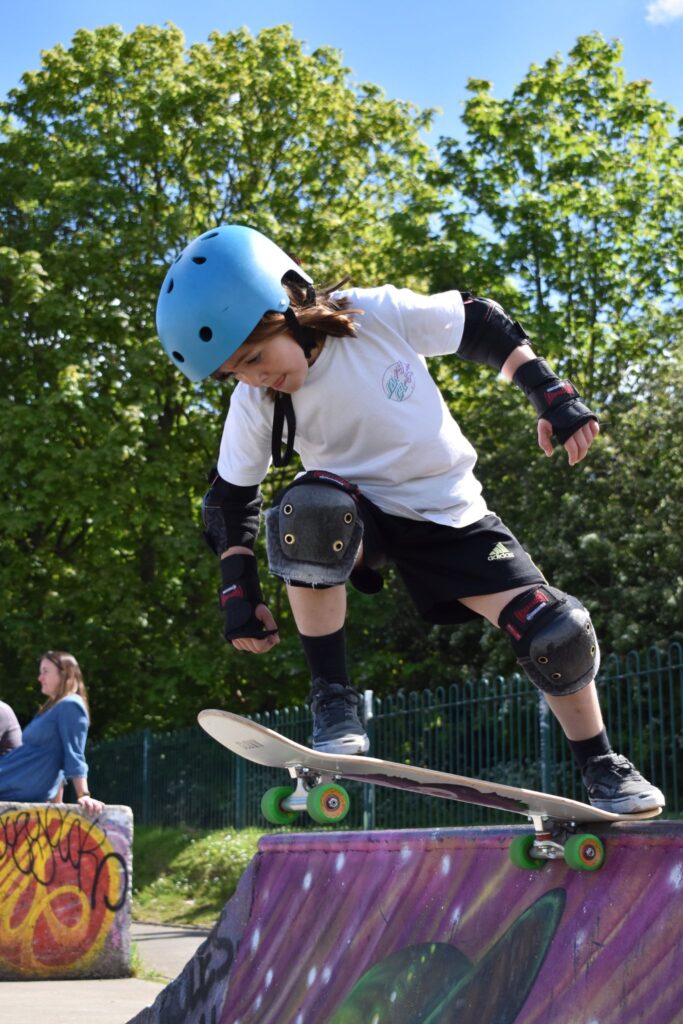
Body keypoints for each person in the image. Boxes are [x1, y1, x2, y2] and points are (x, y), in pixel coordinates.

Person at [156, 224, 664, 815]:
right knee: (310, 509)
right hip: (360, 521)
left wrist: (548, 391)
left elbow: (480, 324)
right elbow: (229, 497)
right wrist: (237, 586)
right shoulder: (258, 403)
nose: (252, 378)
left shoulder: (373, 315)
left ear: (290, 305)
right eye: (234, 374)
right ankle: (334, 700)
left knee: (555, 630)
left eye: (254, 357)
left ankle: (602, 765)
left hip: (449, 514)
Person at [0, 650, 104, 813]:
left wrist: (83, 794)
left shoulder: (71, 706)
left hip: (17, 782)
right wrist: (57, 803)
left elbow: (73, 753)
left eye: (45, 672)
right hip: (11, 776)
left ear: (65, 674)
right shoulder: (53, 708)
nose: (40, 678)